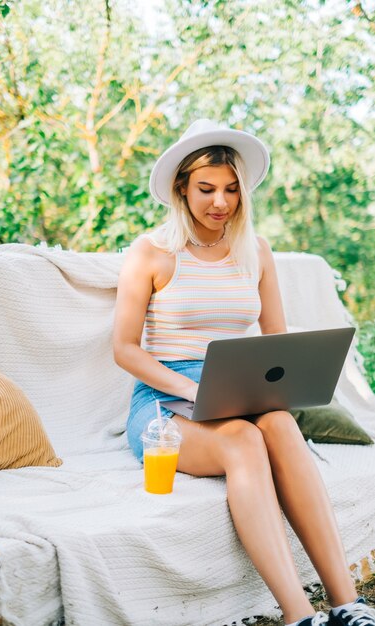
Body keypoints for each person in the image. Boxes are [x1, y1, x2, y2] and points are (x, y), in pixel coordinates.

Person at [113, 118, 375, 626]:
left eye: (231, 190)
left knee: (277, 424)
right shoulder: (150, 252)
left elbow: (277, 345)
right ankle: (300, 616)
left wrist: (276, 387)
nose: (220, 202)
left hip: (237, 387)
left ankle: (348, 606)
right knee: (243, 441)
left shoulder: (256, 253)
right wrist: (193, 387)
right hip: (165, 401)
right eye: (206, 189)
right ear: (180, 189)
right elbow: (124, 349)